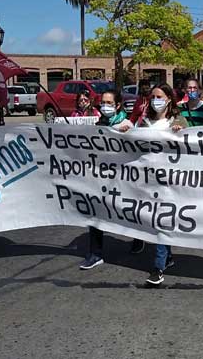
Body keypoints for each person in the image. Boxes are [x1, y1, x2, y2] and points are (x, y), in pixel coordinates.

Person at [80, 90, 144, 270]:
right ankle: (95, 253)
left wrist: (127, 134)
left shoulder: (127, 124)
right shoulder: (99, 124)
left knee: (130, 210)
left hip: (123, 178)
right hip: (101, 177)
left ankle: (139, 238)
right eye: (103, 103)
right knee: (96, 212)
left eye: (109, 103)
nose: (105, 106)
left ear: (117, 106)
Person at [136, 84, 187, 286]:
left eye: (159, 96)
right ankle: (167, 256)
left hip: (170, 180)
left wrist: (181, 131)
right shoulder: (144, 122)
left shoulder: (178, 120)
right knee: (158, 221)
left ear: (168, 99)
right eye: (153, 96)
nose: (155, 100)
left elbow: (192, 142)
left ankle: (158, 267)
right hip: (148, 179)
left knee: (161, 220)